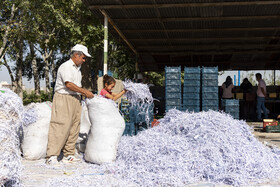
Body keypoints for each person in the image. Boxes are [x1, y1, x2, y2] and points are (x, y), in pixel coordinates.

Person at [46, 44, 94, 165]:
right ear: (77, 55)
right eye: (83, 57)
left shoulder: (77, 69)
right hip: (64, 97)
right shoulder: (66, 66)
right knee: (60, 125)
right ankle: (52, 155)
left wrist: (81, 94)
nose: (84, 60)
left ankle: (68, 154)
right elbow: (69, 84)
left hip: (75, 98)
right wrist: (85, 92)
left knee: (74, 126)